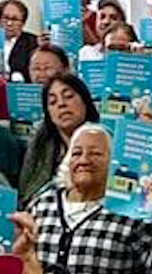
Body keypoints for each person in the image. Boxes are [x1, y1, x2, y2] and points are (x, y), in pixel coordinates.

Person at [27, 123, 152, 274]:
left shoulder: (132, 211)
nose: (84, 160)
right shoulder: (42, 204)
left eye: (95, 153)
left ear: (114, 163)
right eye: (76, 153)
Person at [18, 71, 96, 205]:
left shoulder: (105, 141)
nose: (61, 104)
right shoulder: (40, 144)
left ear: (85, 101)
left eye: (68, 96)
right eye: (52, 102)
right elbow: (27, 193)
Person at [0, 0, 36, 79]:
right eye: (6, 18)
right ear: (0, 20)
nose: (9, 23)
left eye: (14, 19)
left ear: (23, 23)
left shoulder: (32, 43)